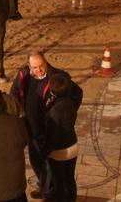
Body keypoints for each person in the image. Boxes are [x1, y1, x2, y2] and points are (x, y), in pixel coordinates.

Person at [11, 52, 82, 199]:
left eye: (41, 66)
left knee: (52, 167)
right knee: (36, 161)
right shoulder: (24, 75)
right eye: (34, 67)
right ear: (29, 66)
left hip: (49, 129)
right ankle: (44, 187)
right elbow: (15, 93)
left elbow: (77, 93)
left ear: (46, 62)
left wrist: (68, 112)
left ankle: (51, 193)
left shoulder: (57, 77)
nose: (38, 70)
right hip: (30, 128)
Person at [43, 73, 80, 202]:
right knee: (70, 178)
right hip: (73, 145)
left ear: (53, 91)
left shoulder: (53, 113)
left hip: (59, 151)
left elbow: (51, 137)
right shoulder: (72, 103)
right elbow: (79, 91)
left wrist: (44, 152)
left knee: (58, 182)